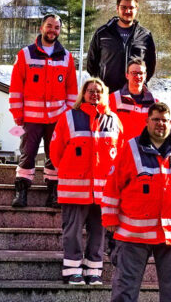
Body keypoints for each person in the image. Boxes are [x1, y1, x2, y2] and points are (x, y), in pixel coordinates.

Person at [101, 102, 171, 302]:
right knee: (125, 291)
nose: (160, 124)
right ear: (147, 121)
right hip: (133, 234)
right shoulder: (130, 149)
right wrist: (109, 218)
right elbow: (113, 185)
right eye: (156, 119)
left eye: (165, 120)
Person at [50, 78, 124, 286]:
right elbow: (56, 153)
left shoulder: (114, 120)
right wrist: (69, 172)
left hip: (104, 193)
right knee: (72, 232)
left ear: (105, 94)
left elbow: (122, 155)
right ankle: (72, 271)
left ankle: (94, 271)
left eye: (98, 91)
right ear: (83, 94)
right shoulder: (68, 118)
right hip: (74, 191)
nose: (94, 94)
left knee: (98, 234)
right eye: (90, 91)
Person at [8, 14, 78, 208]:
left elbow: (72, 90)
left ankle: (53, 193)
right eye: (49, 26)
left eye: (56, 27)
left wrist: (67, 115)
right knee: (27, 153)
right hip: (30, 118)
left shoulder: (66, 57)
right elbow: (15, 87)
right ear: (41, 28)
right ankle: (21, 192)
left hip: (57, 118)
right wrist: (17, 113)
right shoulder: (26, 54)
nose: (52, 30)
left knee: (55, 155)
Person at [87, 0, 156, 93]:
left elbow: (150, 65)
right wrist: (99, 87)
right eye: (123, 7)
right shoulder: (102, 33)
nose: (127, 11)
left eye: (131, 8)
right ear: (117, 8)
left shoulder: (145, 36)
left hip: (134, 95)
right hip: (107, 94)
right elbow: (91, 64)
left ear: (136, 9)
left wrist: (140, 84)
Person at [108, 58, 157, 141]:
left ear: (145, 75)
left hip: (144, 151)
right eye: (134, 73)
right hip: (121, 150)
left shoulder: (154, 103)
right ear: (127, 75)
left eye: (140, 73)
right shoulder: (113, 99)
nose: (137, 76)